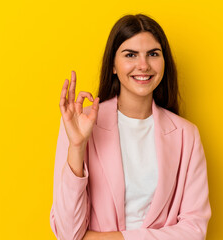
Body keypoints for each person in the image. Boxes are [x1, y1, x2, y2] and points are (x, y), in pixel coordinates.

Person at [50, 14, 211, 240]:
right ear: (113, 66)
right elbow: (68, 234)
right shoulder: (81, 124)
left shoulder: (187, 135)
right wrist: (76, 146)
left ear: (164, 62)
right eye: (130, 55)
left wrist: (113, 238)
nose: (143, 65)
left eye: (153, 54)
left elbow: (194, 232)